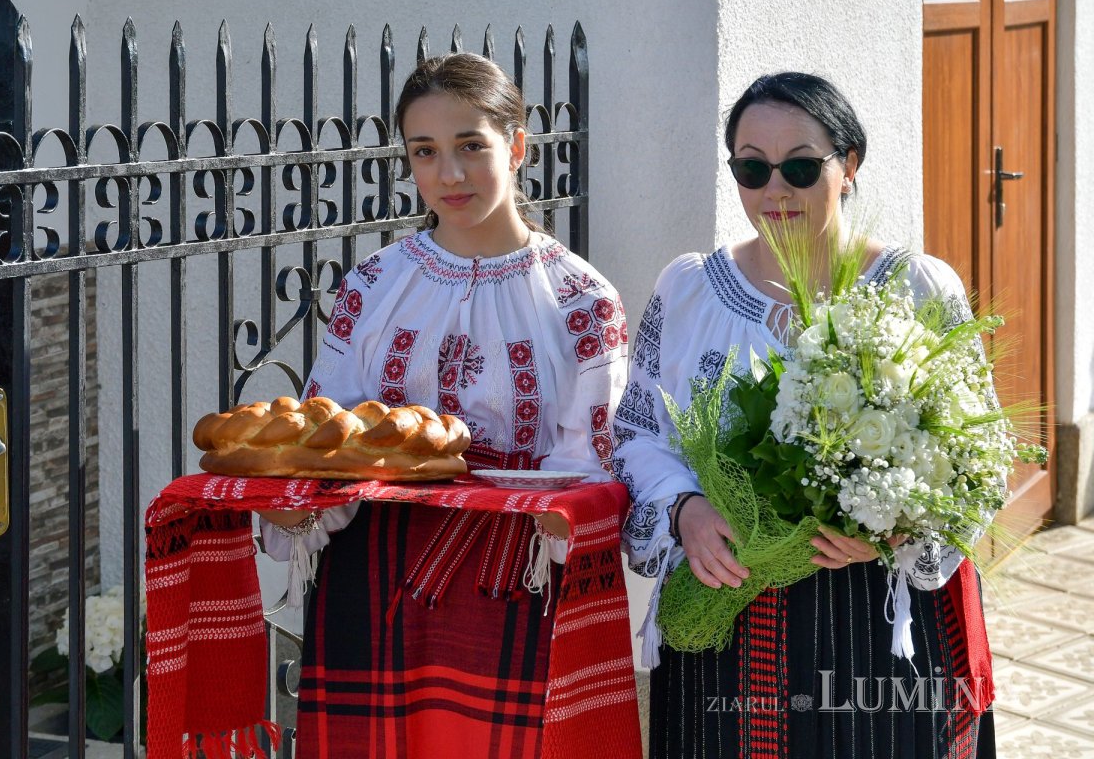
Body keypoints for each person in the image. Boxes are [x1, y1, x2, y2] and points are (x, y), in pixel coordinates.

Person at [614, 72, 996, 758]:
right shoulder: (689, 290)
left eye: (799, 167)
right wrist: (684, 511)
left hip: (879, 611)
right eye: (752, 169)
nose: (776, 190)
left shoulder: (918, 287)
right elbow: (638, 434)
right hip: (727, 604)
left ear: (848, 165)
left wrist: (899, 529)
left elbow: (980, 450)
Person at [258, 52, 629, 758]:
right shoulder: (374, 284)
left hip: (512, 580)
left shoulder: (582, 300)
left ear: (517, 147)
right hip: (372, 573)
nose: (449, 174)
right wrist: (293, 506)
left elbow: (595, 466)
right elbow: (323, 433)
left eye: (470, 146)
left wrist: (559, 519)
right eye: (425, 151)